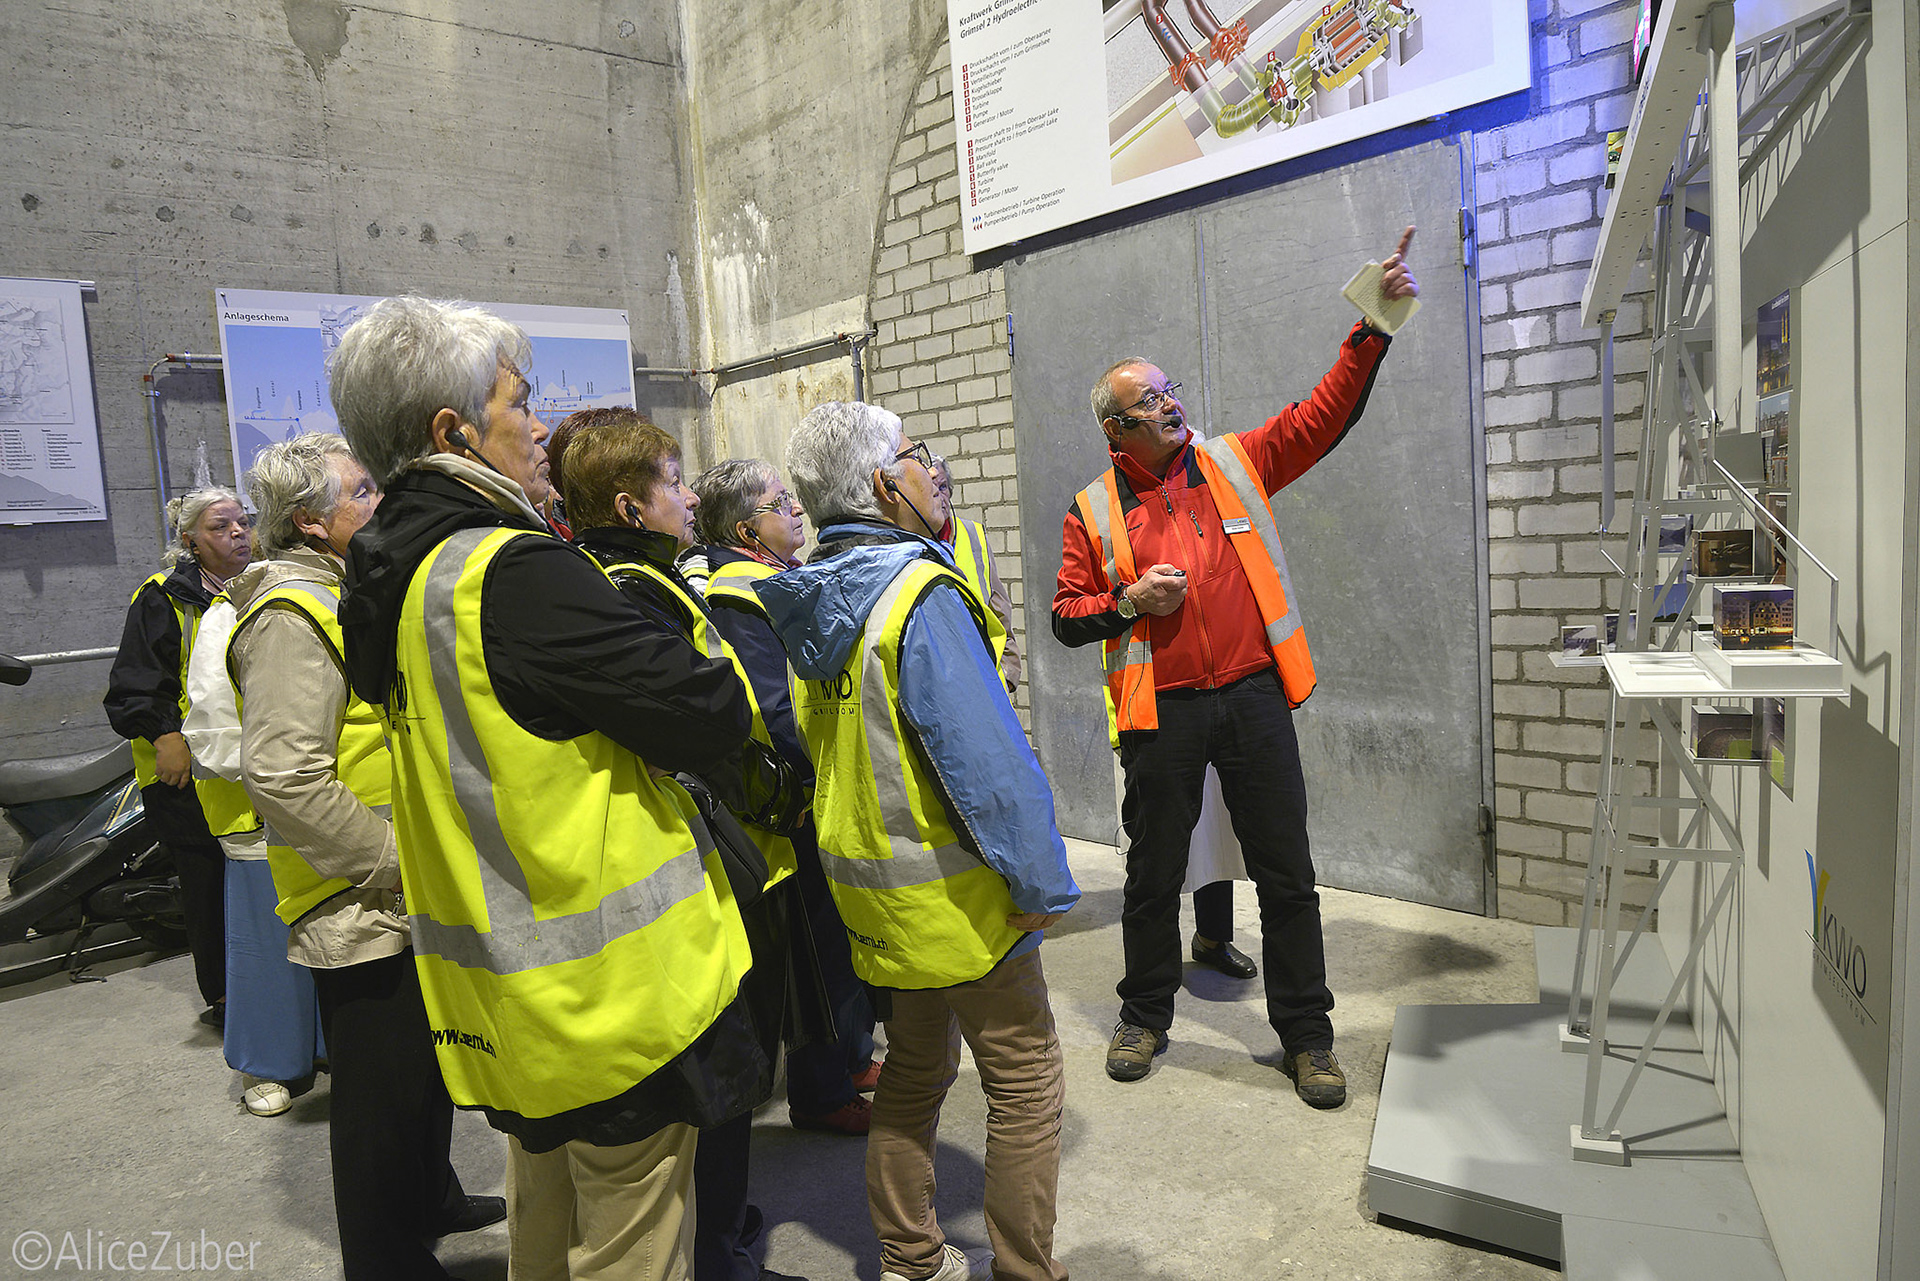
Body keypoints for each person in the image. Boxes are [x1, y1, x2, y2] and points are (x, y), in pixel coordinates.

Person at [331, 296, 770, 1281]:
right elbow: (709, 710)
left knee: (545, 1218)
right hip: (612, 1002)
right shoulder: (511, 573)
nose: (539, 427)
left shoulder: (392, 583)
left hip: (504, 999)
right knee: (632, 1239)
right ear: (454, 433)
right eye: (519, 404)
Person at [1051, 227, 1418, 1106]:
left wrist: (1373, 326)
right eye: (1153, 397)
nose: (1173, 403)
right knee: (1151, 878)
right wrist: (1132, 601)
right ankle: (1144, 1014)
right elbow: (1067, 617)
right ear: (1116, 426)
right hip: (1163, 713)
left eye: (1172, 388)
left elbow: (1320, 416)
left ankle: (1308, 1036)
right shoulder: (1092, 510)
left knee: (1287, 873)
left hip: (1253, 697)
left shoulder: (1231, 463)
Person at [756, 401, 1079, 1281]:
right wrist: (1042, 882)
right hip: (962, 899)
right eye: (914, 456)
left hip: (878, 903)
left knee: (912, 1074)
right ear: (878, 485)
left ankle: (911, 1258)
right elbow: (989, 769)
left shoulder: (812, 598)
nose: (931, 469)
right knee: (1024, 1084)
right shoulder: (917, 597)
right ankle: (1025, 1269)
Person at [220, 432, 502, 1277]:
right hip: (357, 895)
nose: (382, 504)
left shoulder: (343, 594)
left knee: (423, 1066)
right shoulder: (288, 617)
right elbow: (283, 774)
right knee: (379, 1093)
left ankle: (431, 1198)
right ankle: (384, 1257)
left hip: (394, 886)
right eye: (365, 493)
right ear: (311, 523)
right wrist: (392, 859)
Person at [555, 410, 817, 1281]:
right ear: (631, 506)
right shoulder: (629, 593)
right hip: (719, 860)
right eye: (674, 480)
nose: (691, 493)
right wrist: (775, 792)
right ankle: (719, 1253)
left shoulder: (633, 579)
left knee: (734, 1073)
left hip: (732, 851)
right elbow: (695, 734)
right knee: (725, 1078)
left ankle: (723, 1234)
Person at [688, 456, 882, 1136]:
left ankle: (853, 1057)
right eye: (780, 502)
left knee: (840, 935)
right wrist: (817, 772)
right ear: (748, 527)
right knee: (821, 944)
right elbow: (774, 706)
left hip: (816, 787)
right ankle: (823, 1091)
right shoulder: (740, 591)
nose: (796, 509)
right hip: (794, 798)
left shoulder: (771, 576)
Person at [104, 487, 257, 1029]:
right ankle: (223, 997)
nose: (238, 533)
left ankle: (272, 988)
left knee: (256, 882)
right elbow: (135, 685)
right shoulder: (162, 596)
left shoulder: (260, 585)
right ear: (190, 539)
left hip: (247, 764)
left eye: (243, 522)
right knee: (206, 883)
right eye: (221, 526)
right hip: (184, 769)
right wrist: (165, 737)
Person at [926, 455, 1020, 693]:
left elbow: (1000, 608)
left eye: (944, 487)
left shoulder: (973, 533)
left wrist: (1009, 674)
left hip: (986, 679)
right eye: (931, 489)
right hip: (941, 683)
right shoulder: (909, 542)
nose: (940, 496)